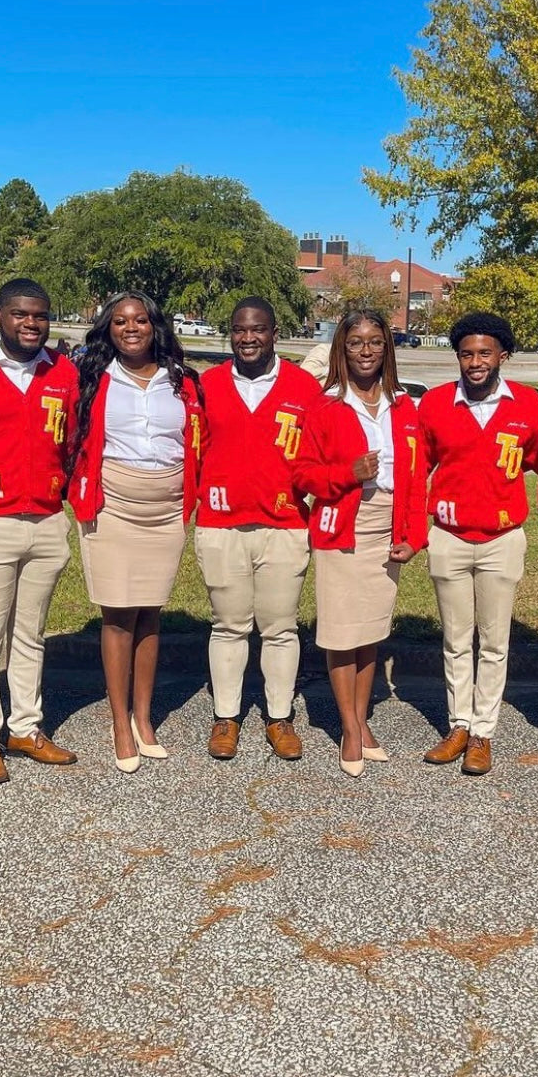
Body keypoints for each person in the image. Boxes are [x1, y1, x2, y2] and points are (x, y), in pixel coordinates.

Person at [68, 292, 205, 772]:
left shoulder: (182, 380)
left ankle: (145, 717)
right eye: (121, 321)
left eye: (141, 319)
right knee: (119, 614)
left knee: (151, 613)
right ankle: (119, 723)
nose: (132, 327)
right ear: (108, 328)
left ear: (155, 325)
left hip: (166, 507)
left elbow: (195, 439)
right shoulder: (91, 376)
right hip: (113, 502)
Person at [0, 278, 79, 785]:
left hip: (47, 519)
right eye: (21, 314)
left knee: (31, 633)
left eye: (40, 316)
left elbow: (68, 442)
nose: (31, 324)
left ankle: (25, 727)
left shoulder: (62, 370)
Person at [293, 309, 427, 777]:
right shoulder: (326, 404)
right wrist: (346, 475)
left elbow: (415, 478)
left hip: (386, 526)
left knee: (370, 631)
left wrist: (413, 535)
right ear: (341, 350)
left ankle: (362, 720)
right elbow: (303, 472)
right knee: (340, 631)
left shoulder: (404, 405)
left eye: (374, 342)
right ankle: (350, 728)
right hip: (341, 523)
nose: (365, 351)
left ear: (386, 348)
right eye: (355, 343)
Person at [416, 313, 538, 777]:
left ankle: (483, 732)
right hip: (448, 536)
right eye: (467, 353)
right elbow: (417, 468)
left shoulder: (529, 405)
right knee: (454, 639)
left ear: (502, 356)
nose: (475, 362)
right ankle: (458, 725)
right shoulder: (433, 404)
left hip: (502, 538)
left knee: (493, 641)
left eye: (484, 353)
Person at [195, 297, 322, 762]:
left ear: (275, 333)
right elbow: (195, 450)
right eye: (239, 330)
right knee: (228, 625)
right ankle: (226, 717)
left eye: (259, 330)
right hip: (221, 522)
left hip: (284, 523)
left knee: (280, 628)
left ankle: (279, 716)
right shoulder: (206, 385)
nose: (248, 338)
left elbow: (316, 455)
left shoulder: (304, 388)